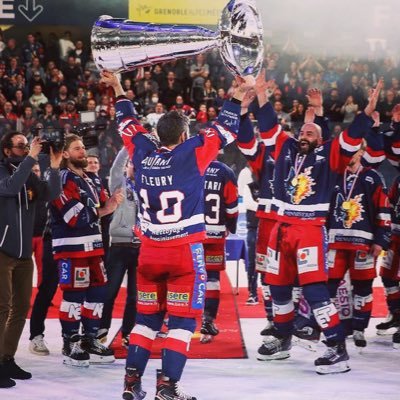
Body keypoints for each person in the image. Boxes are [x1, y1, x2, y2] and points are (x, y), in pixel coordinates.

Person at [101, 70, 253, 400]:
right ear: (184, 135)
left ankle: (131, 383)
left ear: (158, 134)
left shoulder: (142, 152)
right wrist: (238, 94)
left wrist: (115, 85)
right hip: (184, 252)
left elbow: (128, 124)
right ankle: (168, 386)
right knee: (182, 324)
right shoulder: (193, 153)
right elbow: (226, 129)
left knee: (145, 321)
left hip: (149, 253)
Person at [240, 74, 383, 374]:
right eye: (302, 131)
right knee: (277, 288)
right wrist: (262, 95)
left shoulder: (329, 156)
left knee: (316, 292)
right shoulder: (284, 148)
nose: (303, 134)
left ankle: (335, 348)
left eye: (310, 132)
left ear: (320, 138)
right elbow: (267, 127)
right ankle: (281, 338)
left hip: (309, 232)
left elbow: (349, 139)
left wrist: (367, 113)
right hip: (280, 230)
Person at [49, 134, 123, 367]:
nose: (83, 151)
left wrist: (107, 207)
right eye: (76, 148)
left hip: (94, 246)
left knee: (98, 292)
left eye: (83, 147)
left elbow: (105, 207)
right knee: (74, 294)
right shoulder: (62, 179)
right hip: (71, 248)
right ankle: (70, 341)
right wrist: (105, 208)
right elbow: (74, 217)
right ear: (66, 154)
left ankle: (90, 338)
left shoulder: (91, 179)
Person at [0, 132, 62, 388]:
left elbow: (50, 194)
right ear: (6, 151)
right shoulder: (3, 172)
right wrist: (32, 158)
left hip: (24, 254)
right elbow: (11, 188)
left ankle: (6, 358)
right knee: (2, 308)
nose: (27, 148)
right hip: (2, 250)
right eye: (21, 145)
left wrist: (55, 166)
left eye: (28, 144)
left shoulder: (28, 173)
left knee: (21, 307)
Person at [327, 133, 391, 349]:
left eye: (352, 150)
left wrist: (381, 240)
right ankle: (333, 328)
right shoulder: (334, 175)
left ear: (362, 152)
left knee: (363, 289)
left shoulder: (372, 177)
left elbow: (383, 211)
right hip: (334, 244)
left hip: (363, 245)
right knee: (328, 288)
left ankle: (359, 329)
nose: (347, 154)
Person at [98, 148, 141, 350]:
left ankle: (128, 333)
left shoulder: (150, 187)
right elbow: (116, 166)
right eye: (133, 163)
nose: (136, 167)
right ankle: (101, 331)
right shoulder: (119, 184)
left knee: (135, 296)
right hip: (119, 245)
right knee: (109, 291)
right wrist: (128, 145)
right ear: (129, 166)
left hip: (141, 247)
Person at [200, 159, 238, 343]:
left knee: (185, 276)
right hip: (215, 234)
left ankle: (177, 319)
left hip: (191, 233)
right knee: (212, 279)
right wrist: (230, 225)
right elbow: (232, 206)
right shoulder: (225, 170)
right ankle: (208, 321)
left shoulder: (187, 163)